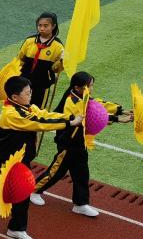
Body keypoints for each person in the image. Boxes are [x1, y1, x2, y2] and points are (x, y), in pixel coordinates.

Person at [0, 75, 76, 239]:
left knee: (23, 191)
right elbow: (40, 122)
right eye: (27, 93)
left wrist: (69, 117)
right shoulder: (12, 114)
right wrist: (69, 123)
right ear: (15, 97)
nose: (31, 95)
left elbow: (43, 114)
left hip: (21, 159)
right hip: (8, 160)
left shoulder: (27, 107)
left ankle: (17, 228)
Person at [34, 71, 130, 218]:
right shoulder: (71, 102)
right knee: (56, 171)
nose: (91, 89)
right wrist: (117, 119)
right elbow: (86, 116)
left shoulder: (82, 96)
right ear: (79, 87)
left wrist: (121, 110)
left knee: (82, 174)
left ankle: (80, 204)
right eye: (90, 86)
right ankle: (33, 190)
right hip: (68, 144)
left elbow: (97, 104)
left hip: (79, 143)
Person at [17, 12, 65, 108]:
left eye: (46, 26)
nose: (42, 28)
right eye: (40, 25)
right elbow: (20, 59)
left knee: (37, 109)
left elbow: (56, 69)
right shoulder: (29, 41)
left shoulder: (58, 46)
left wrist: (62, 61)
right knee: (20, 106)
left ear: (53, 26)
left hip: (43, 84)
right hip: (24, 81)